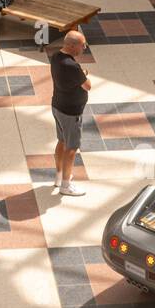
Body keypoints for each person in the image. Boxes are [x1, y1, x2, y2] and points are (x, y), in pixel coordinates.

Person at [49, 31, 91, 197]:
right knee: (71, 147)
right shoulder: (72, 66)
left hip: (57, 106)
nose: (84, 48)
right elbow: (87, 86)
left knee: (61, 141)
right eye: (83, 45)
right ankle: (66, 186)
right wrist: (84, 75)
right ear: (72, 45)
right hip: (71, 112)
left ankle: (59, 176)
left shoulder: (55, 57)